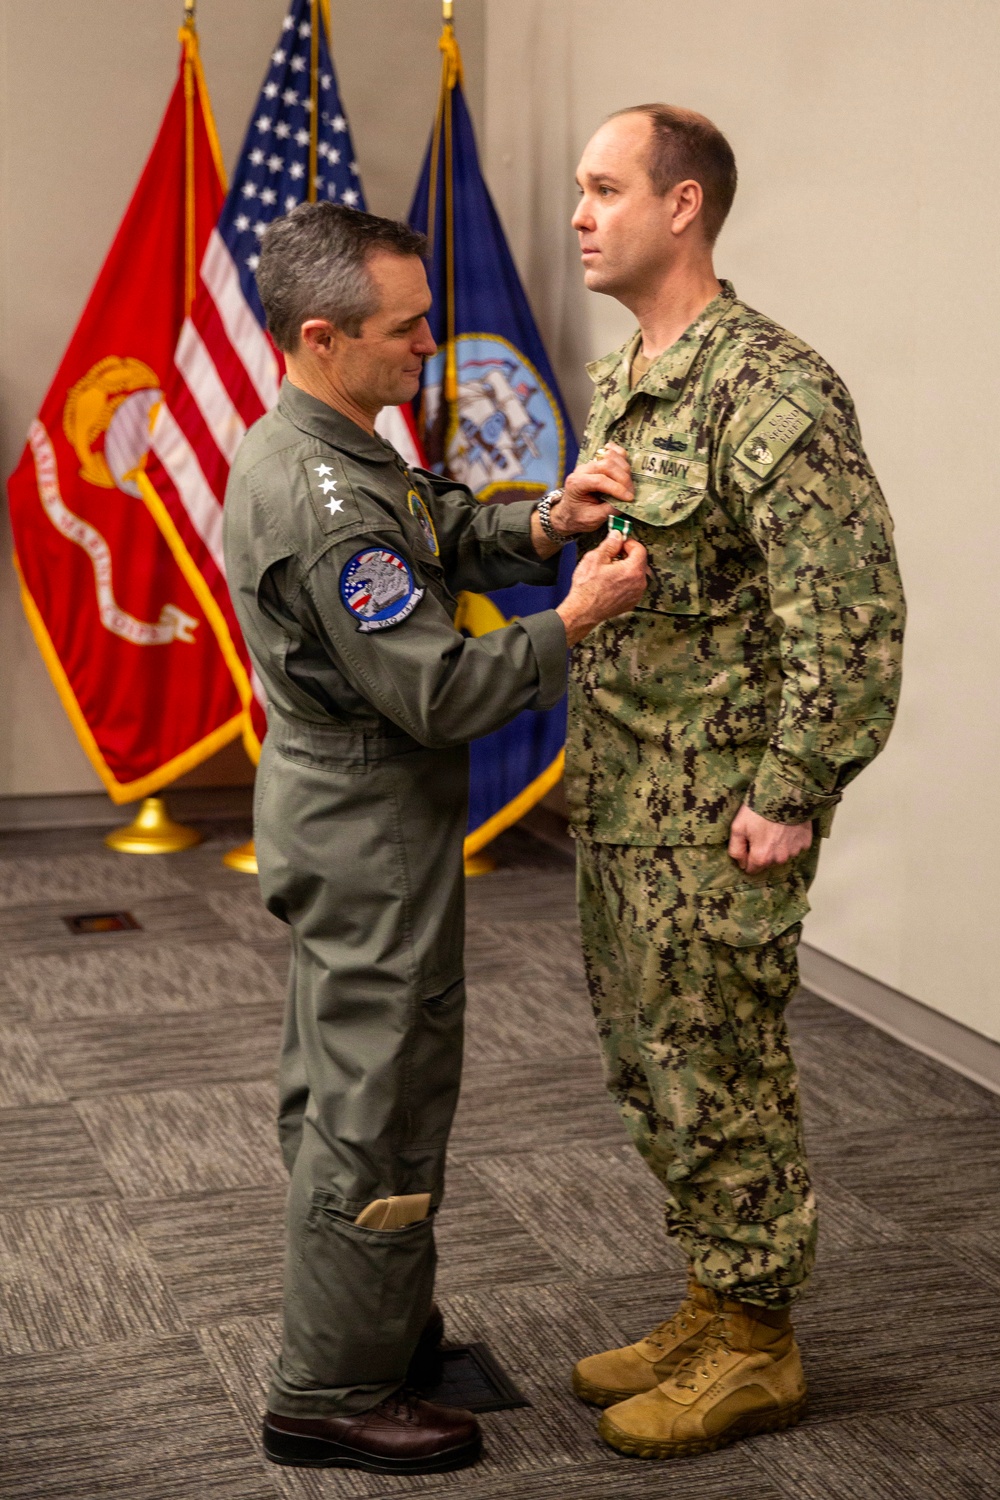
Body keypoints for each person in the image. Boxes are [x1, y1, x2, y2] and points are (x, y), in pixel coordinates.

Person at [222, 201, 647, 1476]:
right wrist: (574, 618)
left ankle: (376, 1324)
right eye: (405, 329)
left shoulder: (340, 448)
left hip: (352, 813)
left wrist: (539, 525)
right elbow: (440, 687)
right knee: (377, 1101)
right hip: (370, 826)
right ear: (320, 335)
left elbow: (435, 534)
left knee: (352, 1083)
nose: (428, 345)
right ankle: (331, 1390)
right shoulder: (324, 499)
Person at [563, 105, 906, 1460]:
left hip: (721, 813)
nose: (582, 216)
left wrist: (793, 786)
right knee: (656, 1068)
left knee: (723, 1065)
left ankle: (758, 1343)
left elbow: (850, 620)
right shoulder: (623, 379)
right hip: (625, 793)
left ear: (684, 204)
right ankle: (715, 1296)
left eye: (605, 189)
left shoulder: (775, 389)